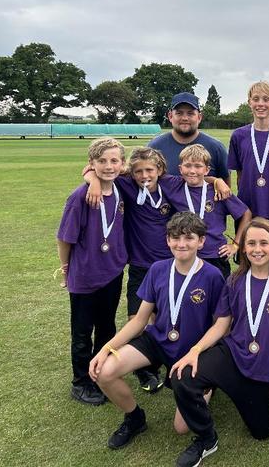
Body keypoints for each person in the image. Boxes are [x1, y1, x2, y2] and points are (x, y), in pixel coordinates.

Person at [83, 147, 232, 391]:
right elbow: (94, 169)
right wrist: (93, 181)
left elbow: (196, 176)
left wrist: (217, 181)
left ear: (160, 170)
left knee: (177, 318)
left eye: (149, 170)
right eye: (138, 171)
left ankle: (195, 366)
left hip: (170, 265)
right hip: (141, 266)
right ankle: (146, 371)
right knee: (138, 320)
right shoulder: (127, 183)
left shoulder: (169, 183)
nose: (144, 175)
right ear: (132, 172)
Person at [170, 218, 269, 467]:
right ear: (243, 247)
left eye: (264, 243)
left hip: (265, 369)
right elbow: (221, 324)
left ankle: (229, 392)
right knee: (182, 376)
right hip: (232, 355)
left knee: (263, 432)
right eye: (251, 243)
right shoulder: (235, 280)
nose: (257, 249)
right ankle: (207, 438)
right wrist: (195, 351)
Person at [88, 212, 225, 449]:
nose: (181, 244)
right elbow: (140, 320)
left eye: (189, 238)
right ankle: (134, 418)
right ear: (168, 240)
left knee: (181, 428)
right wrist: (106, 349)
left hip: (193, 351)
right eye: (175, 238)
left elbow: (220, 324)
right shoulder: (158, 269)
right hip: (159, 340)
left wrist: (199, 352)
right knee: (104, 372)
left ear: (201, 241)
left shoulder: (213, 275)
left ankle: (206, 384)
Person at [57, 138, 127, 406]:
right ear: (92, 164)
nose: (108, 166)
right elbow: (64, 238)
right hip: (85, 276)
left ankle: (100, 374)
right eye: (102, 161)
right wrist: (66, 269)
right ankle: (80, 382)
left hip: (112, 272)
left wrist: (94, 178)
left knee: (107, 326)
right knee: (82, 331)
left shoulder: (121, 188)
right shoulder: (80, 197)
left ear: (122, 164)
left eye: (114, 161)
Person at [227, 81, 269, 265]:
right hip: (247, 208)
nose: (261, 104)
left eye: (266, 99)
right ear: (249, 102)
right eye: (256, 99)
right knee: (246, 262)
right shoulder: (238, 136)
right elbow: (239, 174)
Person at [161, 144, 252, 279]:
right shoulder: (174, 185)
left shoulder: (219, 191)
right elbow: (150, 173)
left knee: (218, 291)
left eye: (198, 166)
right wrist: (216, 179)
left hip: (215, 255)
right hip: (185, 253)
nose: (192, 171)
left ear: (207, 169)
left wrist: (236, 245)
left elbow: (246, 214)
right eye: (187, 166)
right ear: (180, 169)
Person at [148, 92, 230, 184]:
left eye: (190, 113)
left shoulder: (216, 148)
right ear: (170, 116)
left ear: (199, 117)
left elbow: (225, 186)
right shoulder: (155, 147)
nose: (185, 118)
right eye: (179, 113)